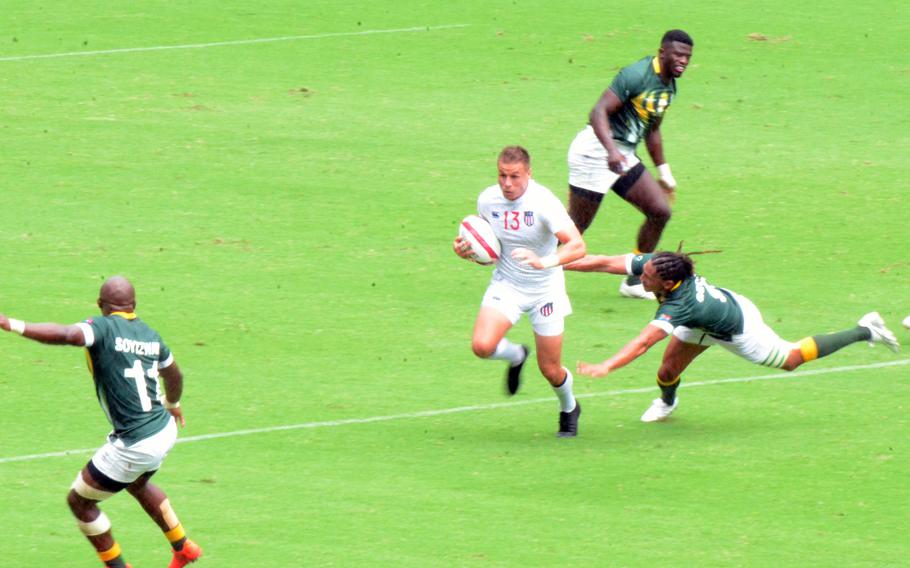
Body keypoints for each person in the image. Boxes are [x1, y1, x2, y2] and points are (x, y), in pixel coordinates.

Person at [0, 276, 202, 568]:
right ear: (133, 305)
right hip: (163, 429)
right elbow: (175, 375)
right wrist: (173, 404)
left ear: (100, 304)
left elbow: (68, 335)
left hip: (135, 443)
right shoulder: (151, 336)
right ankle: (183, 547)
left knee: (79, 502)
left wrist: (12, 324)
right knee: (138, 482)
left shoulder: (102, 328)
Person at [567, 252, 900, 422]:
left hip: (738, 328)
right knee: (668, 372)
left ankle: (865, 329)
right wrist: (556, 264)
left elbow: (643, 342)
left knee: (791, 360)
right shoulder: (662, 265)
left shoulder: (678, 304)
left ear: (666, 285)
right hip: (703, 319)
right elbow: (606, 262)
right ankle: (667, 403)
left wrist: (607, 366)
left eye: (648, 277)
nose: (643, 277)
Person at [453, 146, 587, 437]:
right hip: (508, 285)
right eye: (502, 175)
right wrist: (466, 251)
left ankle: (569, 408)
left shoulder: (544, 203)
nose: (507, 184)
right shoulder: (488, 200)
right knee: (482, 346)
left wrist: (545, 262)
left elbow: (577, 246)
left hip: (545, 291)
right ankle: (515, 355)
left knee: (551, 370)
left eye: (514, 176)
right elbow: (487, 247)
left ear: (529, 174)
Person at [567, 29, 694, 300]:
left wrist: (664, 173)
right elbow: (598, 111)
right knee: (574, 229)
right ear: (663, 53)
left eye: (688, 57)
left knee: (660, 211)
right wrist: (611, 151)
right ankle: (535, 272)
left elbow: (653, 129)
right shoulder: (636, 75)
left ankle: (635, 279)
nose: (684, 61)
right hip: (595, 152)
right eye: (679, 55)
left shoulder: (669, 86)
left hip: (621, 155)